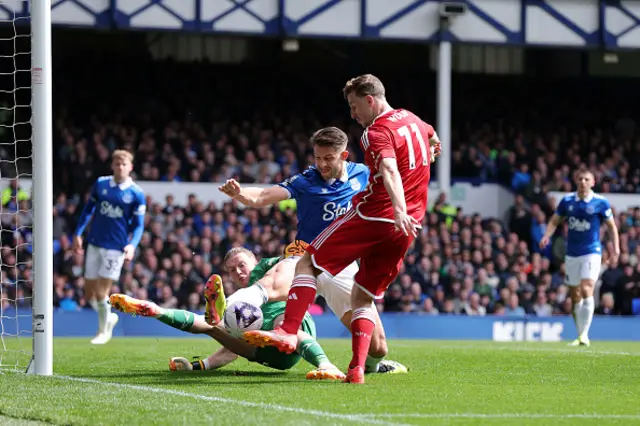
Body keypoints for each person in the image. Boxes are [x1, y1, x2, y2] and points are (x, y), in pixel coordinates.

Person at [244, 74, 441, 384]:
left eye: (354, 106)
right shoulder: (415, 121)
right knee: (363, 299)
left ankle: (288, 331)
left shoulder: (375, 132)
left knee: (307, 262)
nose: (353, 114)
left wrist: (397, 207)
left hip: (377, 214)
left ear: (370, 100)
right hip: (406, 229)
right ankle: (357, 369)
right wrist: (431, 150)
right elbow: (432, 137)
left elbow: (388, 169)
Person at [219, 126, 407, 376]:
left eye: (328, 158)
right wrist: (240, 193)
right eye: (317, 157)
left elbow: (395, 174)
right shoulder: (305, 181)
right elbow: (264, 195)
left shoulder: (363, 174)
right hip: (307, 255)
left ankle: (373, 367)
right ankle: (226, 306)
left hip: (343, 264)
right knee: (277, 279)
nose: (321, 164)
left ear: (344, 155)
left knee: (378, 346)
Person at [110, 247, 345, 378]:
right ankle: (155, 310)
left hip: (291, 326)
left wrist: (291, 258)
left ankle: (325, 365)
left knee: (280, 321)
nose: (239, 272)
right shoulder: (241, 305)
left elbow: (290, 266)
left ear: (255, 260)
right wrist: (197, 366)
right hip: (269, 355)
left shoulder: (267, 268)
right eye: (232, 270)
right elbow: (229, 353)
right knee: (215, 326)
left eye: (242, 265)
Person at [73, 150, 146, 345]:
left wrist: (132, 245)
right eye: (117, 164)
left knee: (101, 292)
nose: (120, 167)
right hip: (95, 243)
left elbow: (139, 225)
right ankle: (109, 317)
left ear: (130, 167)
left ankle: (102, 332)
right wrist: (78, 233)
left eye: (124, 164)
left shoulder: (136, 193)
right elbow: (88, 210)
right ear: (112, 166)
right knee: (89, 294)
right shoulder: (101, 184)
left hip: (116, 247)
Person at [539, 170, 619, 346]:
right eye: (580, 178)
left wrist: (616, 247)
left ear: (593, 182)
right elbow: (554, 221)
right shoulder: (567, 201)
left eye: (586, 179)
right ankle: (580, 334)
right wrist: (546, 236)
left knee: (586, 287)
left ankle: (584, 335)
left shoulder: (600, 202)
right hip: (572, 254)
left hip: (592, 251)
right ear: (576, 181)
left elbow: (612, 227)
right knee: (575, 295)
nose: (583, 182)